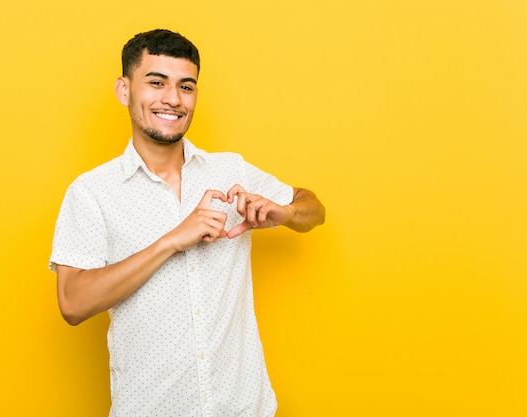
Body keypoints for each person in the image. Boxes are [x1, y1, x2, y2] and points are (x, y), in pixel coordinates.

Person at [50, 29, 325, 417]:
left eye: (186, 86)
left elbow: (313, 208)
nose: (173, 99)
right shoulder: (92, 192)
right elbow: (72, 303)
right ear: (124, 90)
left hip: (244, 408)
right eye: (156, 83)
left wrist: (287, 213)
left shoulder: (230, 169)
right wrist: (172, 240)